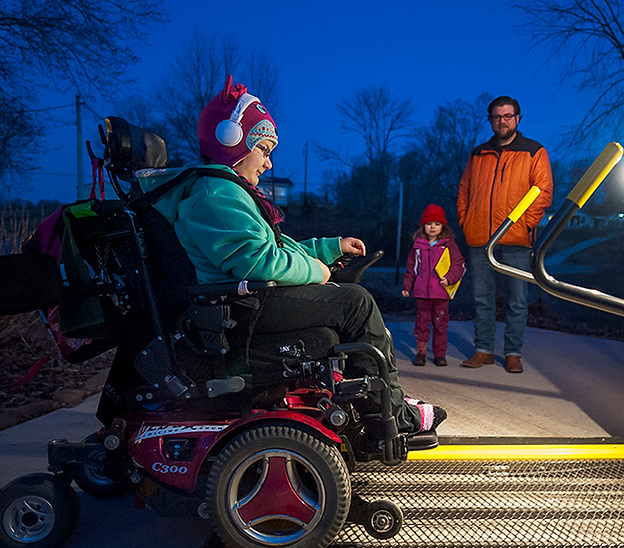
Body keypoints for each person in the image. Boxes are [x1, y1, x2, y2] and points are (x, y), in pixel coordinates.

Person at [144, 75, 445, 436]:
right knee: (356, 304)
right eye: (265, 150)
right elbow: (258, 263)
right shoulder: (214, 195)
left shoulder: (225, 191)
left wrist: (330, 249)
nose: (269, 164)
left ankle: (380, 397)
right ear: (231, 140)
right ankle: (388, 414)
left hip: (247, 301)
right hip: (240, 311)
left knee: (345, 299)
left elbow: (276, 247)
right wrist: (319, 272)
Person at [456, 95, 553, 374]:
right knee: (481, 298)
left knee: (518, 300)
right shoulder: (478, 154)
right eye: (497, 117)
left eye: (508, 116)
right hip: (479, 240)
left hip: (515, 240)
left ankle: (512, 353)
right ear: (491, 120)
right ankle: (483, 350)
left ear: (518, 119)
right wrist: (466, 221)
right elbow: (464, 191)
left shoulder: (534, 151)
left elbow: (543, 192)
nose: (503, 121)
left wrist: (525, 225)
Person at [401, 204, 465, 367]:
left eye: (436, 224)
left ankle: (440, 354)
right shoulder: (418, 246)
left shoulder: (448, 245)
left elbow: (458, 264)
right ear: (423, 225)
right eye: (429, 224)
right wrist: (407, 286)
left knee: (440, 324)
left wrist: (449, 279)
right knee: (421, 323)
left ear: (442, 226)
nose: (432, 227)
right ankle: (421, 352)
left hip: (441, 291)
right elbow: (411, 268)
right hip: (422, 292)